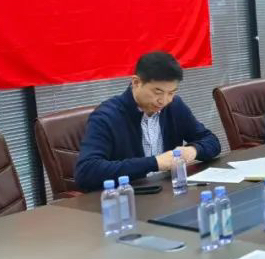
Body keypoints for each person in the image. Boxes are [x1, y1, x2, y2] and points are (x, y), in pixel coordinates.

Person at [74, 51, 221, 191]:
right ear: (136, 82)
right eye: (157, 92)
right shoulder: (106, 116)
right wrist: (155, 163)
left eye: (171, 93)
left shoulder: (174, 106)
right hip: (129, 196)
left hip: (168, 192)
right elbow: (86, 171)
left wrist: (193, 151)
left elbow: (212, 141)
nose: (163, 100)